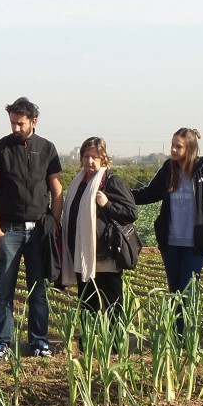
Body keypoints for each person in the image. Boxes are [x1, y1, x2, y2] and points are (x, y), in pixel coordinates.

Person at [0, 97, 63, 361]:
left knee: (38, 290)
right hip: (8, 230)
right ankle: (2, 342)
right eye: (12, 123)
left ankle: (39, 341)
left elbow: (57, 190)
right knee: (3, 290)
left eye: (20, 123)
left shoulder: (47, 148)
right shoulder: (0, 149)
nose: (15, 128)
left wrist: (53, 222)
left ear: (33, 122)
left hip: (39, 231)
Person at [132, 128, 203, 307]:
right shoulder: (168, 169)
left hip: (194, 246)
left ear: (190, 149)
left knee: (187, 294)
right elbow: (149, 193)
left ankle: (188, 334)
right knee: (175, 295)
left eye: (179, 146)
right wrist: (120, 194)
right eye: (172, 145)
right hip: (171, 245)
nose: (173, 150)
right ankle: (177, 334)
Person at [59, 137, 138, 322]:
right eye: (86, 156)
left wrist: (107, 204)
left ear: (104, 158)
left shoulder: (111, 182)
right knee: (87, 306)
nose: (89, 161)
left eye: (94, 157)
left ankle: (116, 347)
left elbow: (130, 213)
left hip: (105, 256)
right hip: (82, 256)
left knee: (112, 306)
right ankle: (90, 346)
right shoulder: (78, 183)